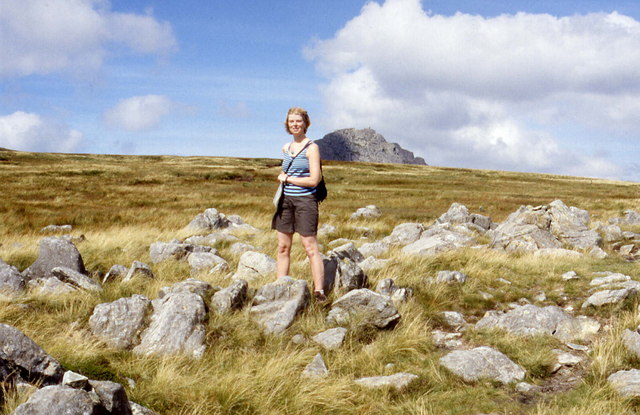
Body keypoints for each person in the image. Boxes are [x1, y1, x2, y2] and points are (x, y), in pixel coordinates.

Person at [272, 107, 326, 302]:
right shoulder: (286, 148)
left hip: (306, 201)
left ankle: (319, 291)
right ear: (287, 124)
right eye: (291, 121)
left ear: (306, 123)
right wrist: (286, 180)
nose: (295, 124)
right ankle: (280, 286)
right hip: (285, 201)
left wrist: (288, 179)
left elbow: (314, 180)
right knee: (283, 247)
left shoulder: (312, 148)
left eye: (298, 121)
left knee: (310, 247)